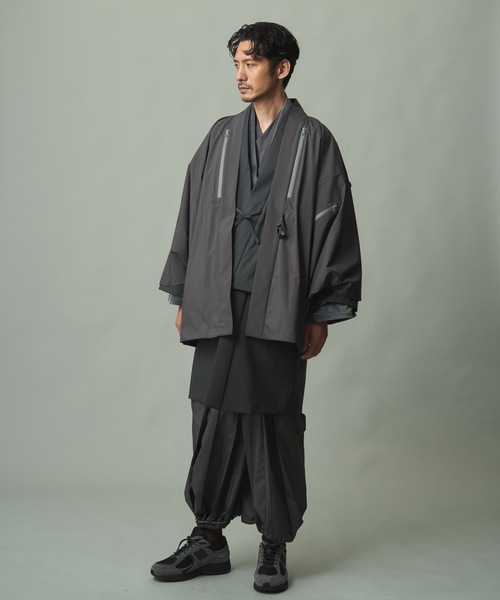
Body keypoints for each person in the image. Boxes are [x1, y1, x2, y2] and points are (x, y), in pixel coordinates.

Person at [151, 22, 361, 594]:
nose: (241, 74)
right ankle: (208, 538)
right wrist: (184, 292)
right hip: (219, 299)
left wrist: (321, 310)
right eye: (237, 64)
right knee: (212, 412)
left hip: (279, 302)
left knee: (272, 417)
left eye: (252, 62)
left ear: (282, 67)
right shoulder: (221, 136)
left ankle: (273, 543)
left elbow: (334, 222)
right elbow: (192, 211)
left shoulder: (313, 141)